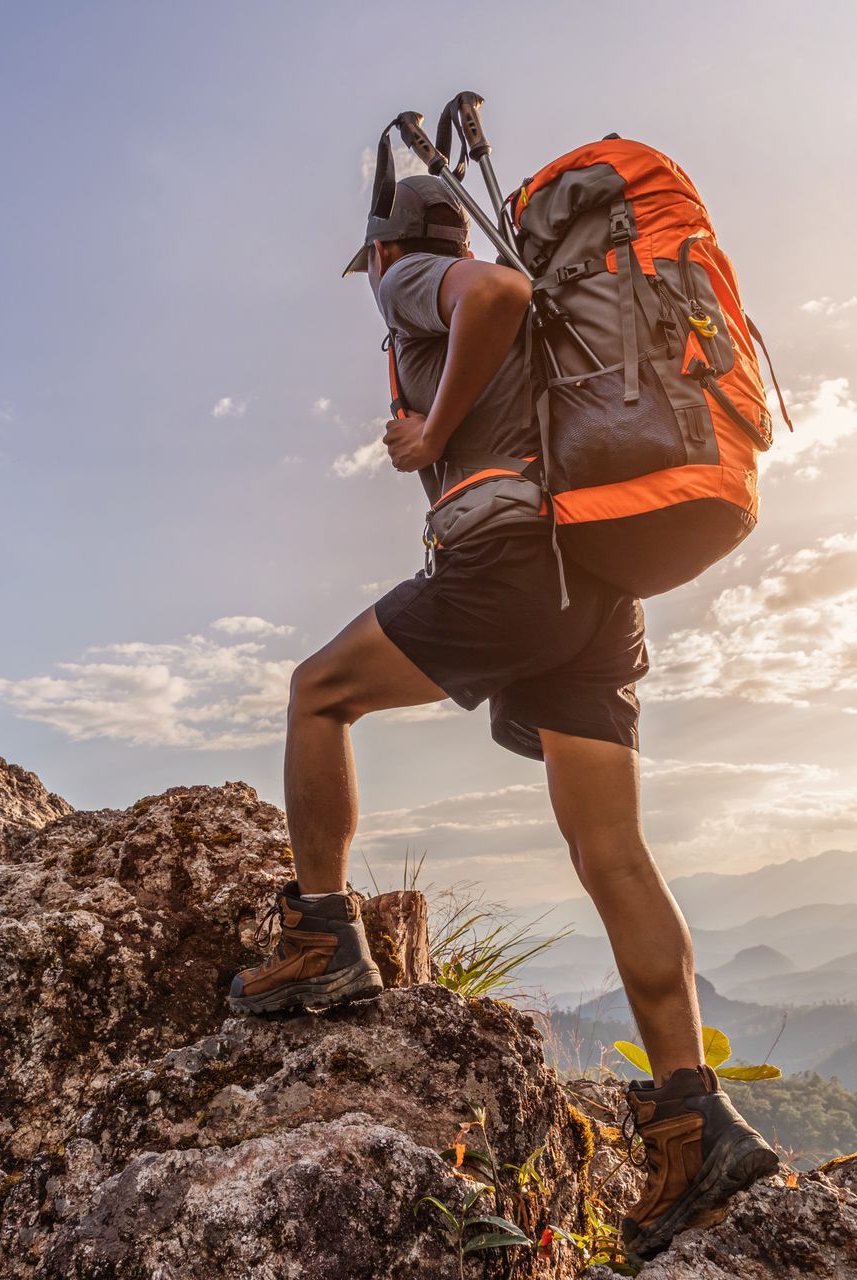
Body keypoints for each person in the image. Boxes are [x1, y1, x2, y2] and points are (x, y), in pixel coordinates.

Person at [226, 172, 776, 1261]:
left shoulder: (419, 280)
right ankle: (692, 1119)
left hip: (508, 566)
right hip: (591, 581)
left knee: (316, 691)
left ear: (384, 252)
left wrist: (428, 433)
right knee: (611, 848)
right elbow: (515, 312)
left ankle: (324, 933)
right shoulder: (549, 301)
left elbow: (495, 301)